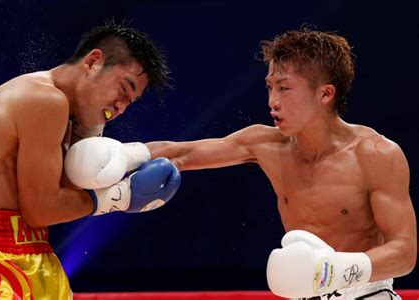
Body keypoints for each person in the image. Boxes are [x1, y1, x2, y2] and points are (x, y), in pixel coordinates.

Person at [147, 28, 416, 299]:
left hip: (367, 294)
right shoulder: (265, 144)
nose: (272, 101)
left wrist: (337, 270)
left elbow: (405, 253)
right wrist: (116, 156)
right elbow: (179, 154)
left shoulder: (376, 155)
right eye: (270, 87)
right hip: (302, 293)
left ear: (325, 94)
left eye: (284, 88)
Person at [0, 20, 180, 299]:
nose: (121, 106)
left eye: (130, 102)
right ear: (93, 61)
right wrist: (119, 197)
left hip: (38, 257)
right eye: (123, 88)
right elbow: (41, 209)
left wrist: (240, 147)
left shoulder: (67, 118)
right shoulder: (45, 99)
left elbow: (60, 199)